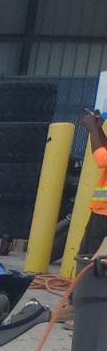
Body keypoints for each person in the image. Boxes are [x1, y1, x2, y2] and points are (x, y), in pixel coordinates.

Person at [77, 108, 107, 257]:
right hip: (100, 213)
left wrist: (93, 130)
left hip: (104, 216)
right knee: (87, 256)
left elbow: (102, 159)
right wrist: (99, 129)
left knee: (93, 259)